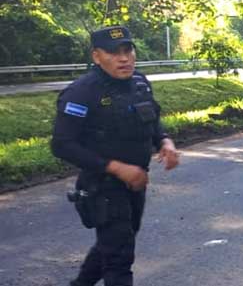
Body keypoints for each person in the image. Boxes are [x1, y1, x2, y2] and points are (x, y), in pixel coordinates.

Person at [51, 26, 180, 286]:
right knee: (119, 258)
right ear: (97, 56)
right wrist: (117, 168)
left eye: (127, 50)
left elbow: (152, 121)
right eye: (114, 53)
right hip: (103, 186)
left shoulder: (140, 83)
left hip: (136, 182)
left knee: (115, 244)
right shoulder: (82, 92)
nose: (124, 58)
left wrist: (165, 141)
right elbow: (62, 144)